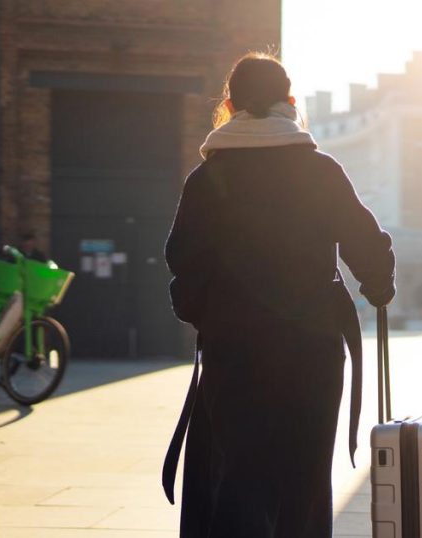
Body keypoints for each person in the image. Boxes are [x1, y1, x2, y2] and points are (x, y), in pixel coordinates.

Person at [161, 53, 396, 537]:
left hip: (235, 347)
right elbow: (367, 244)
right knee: (305, 478)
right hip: (312, 348)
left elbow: (184, 263)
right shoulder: (319, 170)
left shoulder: (209, 178)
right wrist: (378, 286)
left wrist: (205, 312)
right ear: (291, 102)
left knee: (240, 472)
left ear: (229, 105)